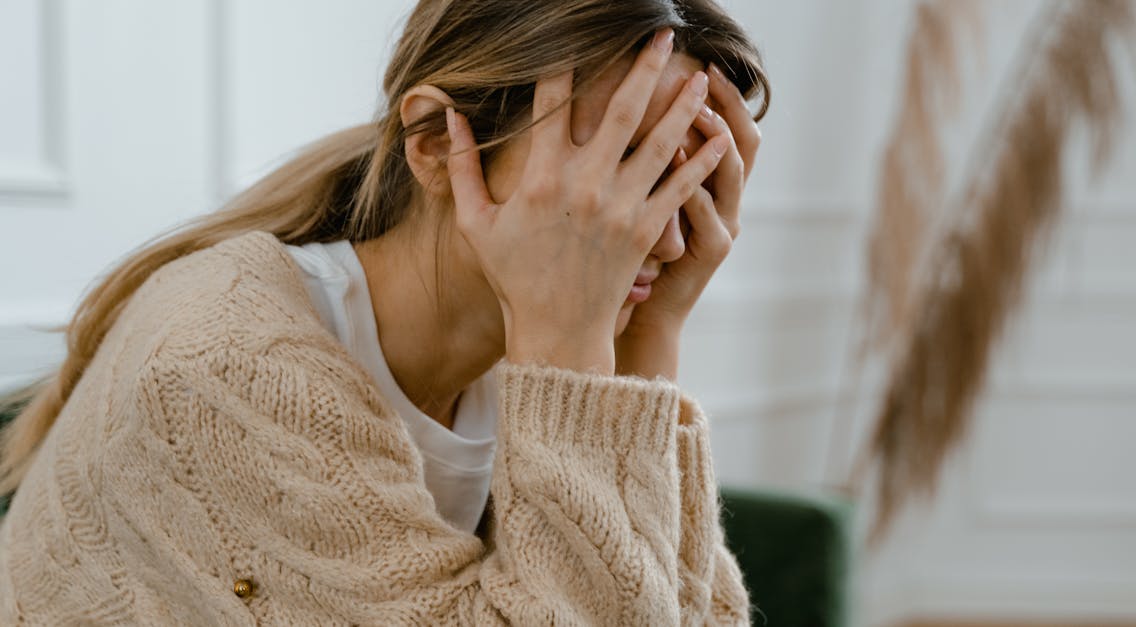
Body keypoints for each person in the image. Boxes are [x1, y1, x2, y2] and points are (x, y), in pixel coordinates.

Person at [0, 0, 769, 623]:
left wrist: (650, 337)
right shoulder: (226, 365)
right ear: (436, 142)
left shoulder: (540, 343)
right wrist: (585, 350)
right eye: (617, 167)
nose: (662, 233)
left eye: (688, 177)